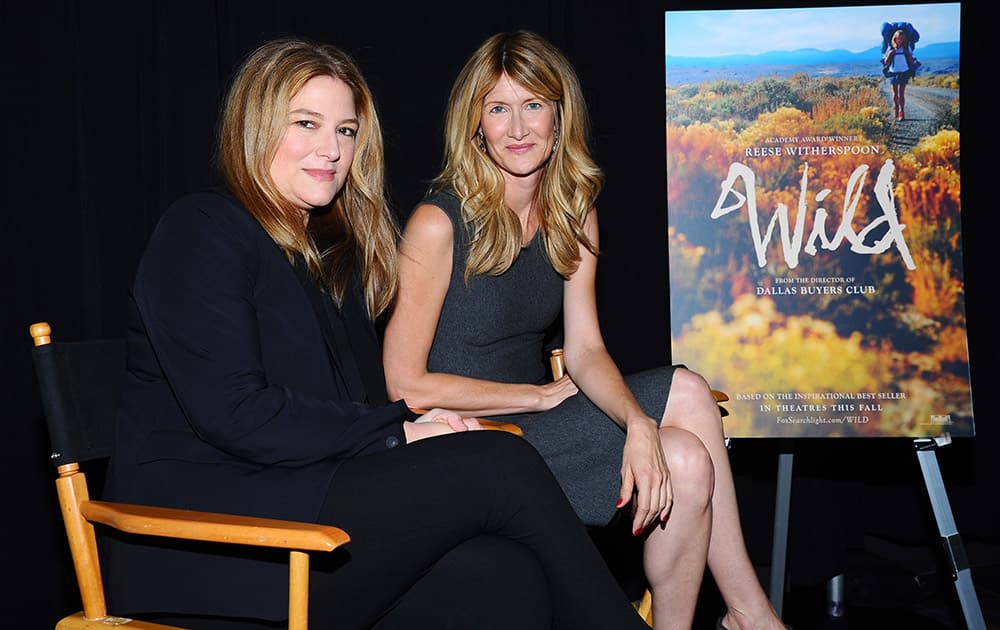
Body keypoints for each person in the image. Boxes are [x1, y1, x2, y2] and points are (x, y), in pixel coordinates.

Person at [101, 36, 653, 630]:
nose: (331, 149)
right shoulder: (201, 230)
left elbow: (343, 409)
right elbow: (238, 414)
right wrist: (398, 436)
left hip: (295, 512)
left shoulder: (319, 256)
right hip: (208, 551)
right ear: (255, 126)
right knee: (496, 460)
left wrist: (415, 427)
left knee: (503, 574)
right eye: (306, 123)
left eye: (345, 131)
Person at [383, 31, 790, 630]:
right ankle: (751, 615)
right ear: (476, 124)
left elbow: (587, 349)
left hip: (537, 431)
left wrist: (638, 425)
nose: (518, 127)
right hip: (467, 441)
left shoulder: (574, 212)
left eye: (533, 105)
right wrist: (539, 396)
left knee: (685, 456)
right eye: (498, 108)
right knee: (690, 392)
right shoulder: (437, 225)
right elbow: (404, 386)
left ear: (558, 113)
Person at [882, 27, 918, 121]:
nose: (900, 40)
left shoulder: (906, 48)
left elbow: (911, 61)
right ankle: (896, 110)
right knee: (895, 94)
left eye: (902, 39)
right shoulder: (890, 48)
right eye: (899, 38)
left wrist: (907, 54)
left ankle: (902, 112)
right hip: (893, 72)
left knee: (901, 94)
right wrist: (890, 54)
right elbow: (885, 62)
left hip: (904, 72)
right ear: (895, 38)